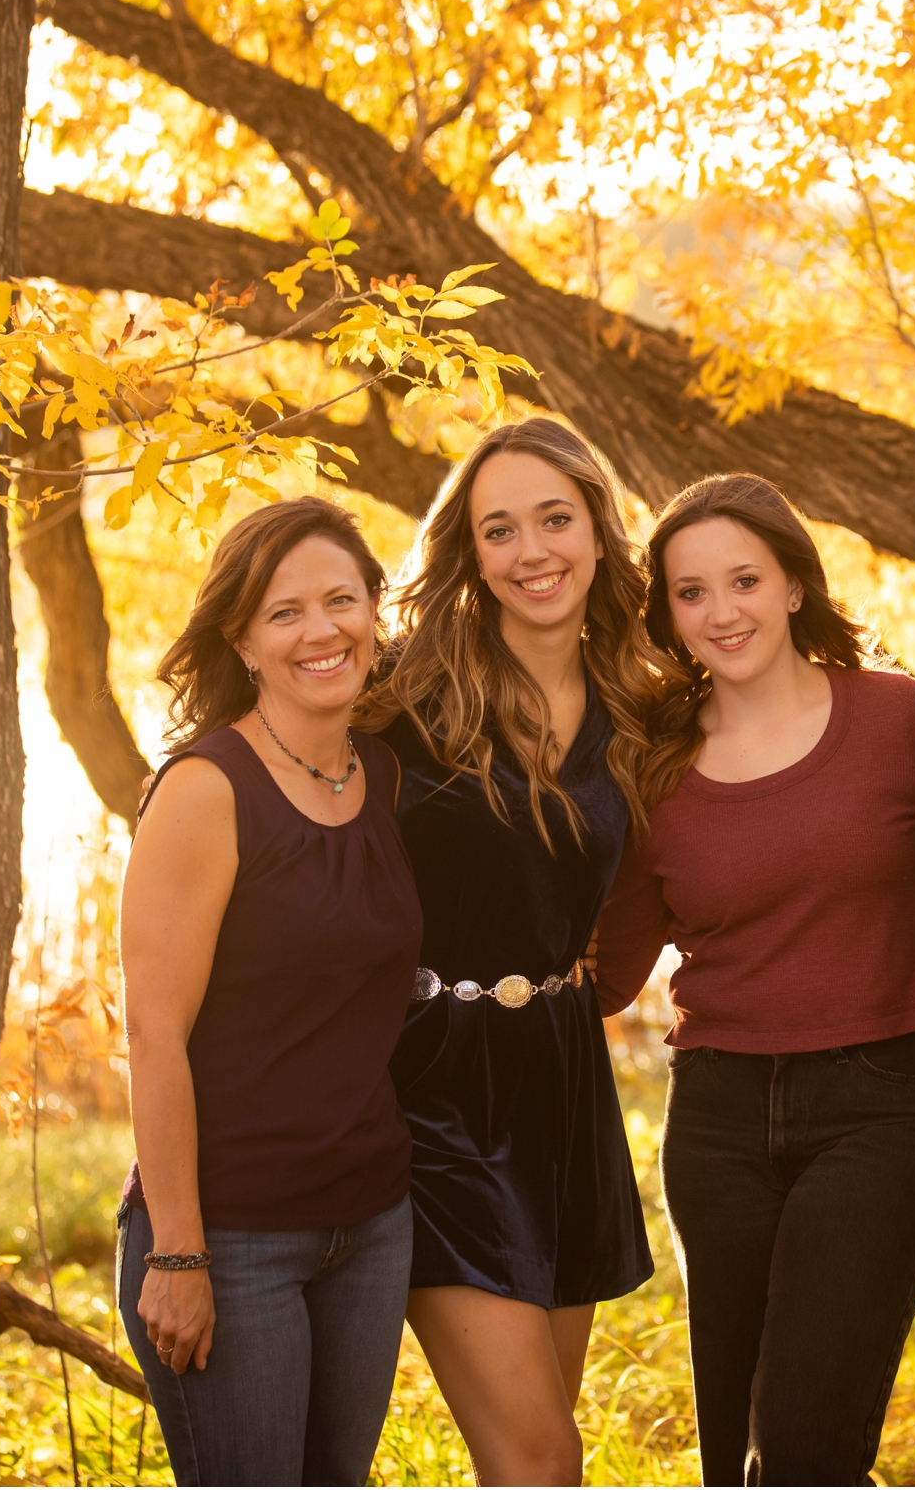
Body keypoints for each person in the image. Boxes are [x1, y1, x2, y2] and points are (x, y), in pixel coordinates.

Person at [593, 473, 915, 1486]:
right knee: (731, 1453)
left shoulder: (902, 719)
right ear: (666, 612)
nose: (722, 612)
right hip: (718, 1117)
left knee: (803, 1446)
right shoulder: (653, 766)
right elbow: (610, 968)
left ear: (796, 583)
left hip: (883, 1103)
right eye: (691, 591)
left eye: (745, 579)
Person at [359, 416, 658, 1485]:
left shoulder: (641, 697)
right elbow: (270, 794)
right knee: (542, 1456)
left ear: (597, 529)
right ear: (470, 554)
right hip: (429, 1090)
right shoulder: (397, 694)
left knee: (532, 1450)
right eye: (500, 528)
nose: (532, 549)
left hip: (565, 1081)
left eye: (553, 518)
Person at [116, 497, 423, 1486]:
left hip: (372, 1222)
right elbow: (154, 1035)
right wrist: (177, 1252)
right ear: (242, 637)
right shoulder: (206, 789)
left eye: (342, 599)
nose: (321, 629)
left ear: (376, 612)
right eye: (284, 611)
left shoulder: (383, 775)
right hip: (231, 1234)